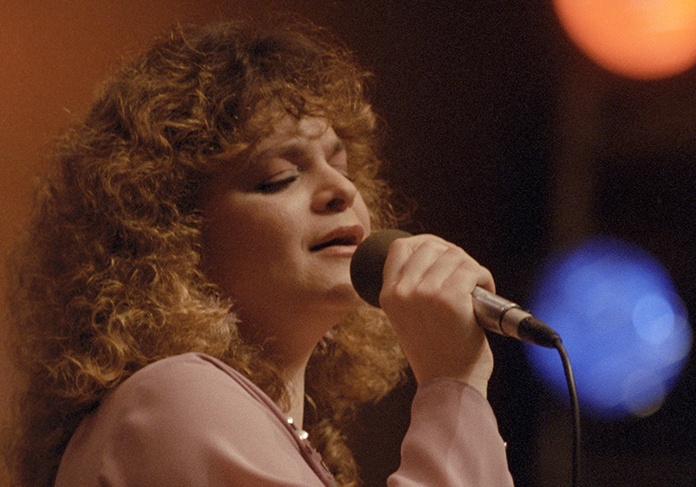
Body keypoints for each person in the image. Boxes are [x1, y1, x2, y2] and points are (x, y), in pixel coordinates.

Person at [2, 19, 513, 487]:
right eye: (279, 178)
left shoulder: (241, 419)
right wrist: (452, 384)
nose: (341, 190)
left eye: (342, 167)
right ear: (170, 234)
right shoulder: (177, 398)